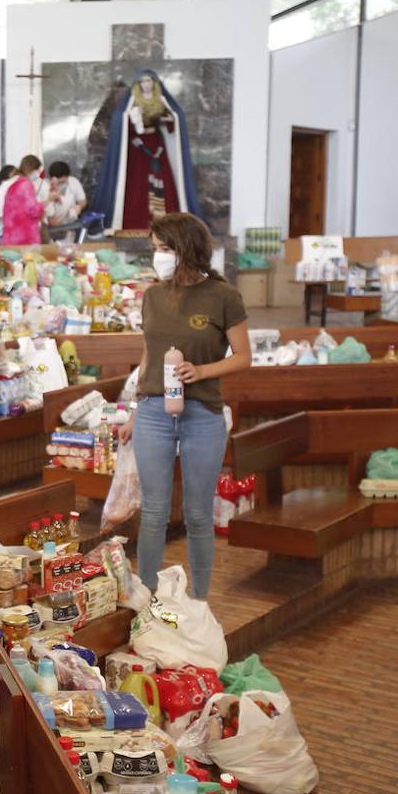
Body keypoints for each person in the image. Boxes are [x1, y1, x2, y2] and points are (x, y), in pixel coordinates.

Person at [120, 213, 251, 599]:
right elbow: (148, 354)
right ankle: (147, 599)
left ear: (185, 249)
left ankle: (199, 600)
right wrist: (133, 409)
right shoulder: (153, 296)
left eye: (164, 249)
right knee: (155, 514)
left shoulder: (223, 296)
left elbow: (243, 356)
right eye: (155, 249)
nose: (158, 256)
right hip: (153, 412)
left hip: (203, 414)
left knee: (197, 515)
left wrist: (203, 370)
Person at [89, 70, 203, 232]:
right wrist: (132, 118)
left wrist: (165, 118)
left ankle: (164, 221)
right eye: (142, 81)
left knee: (161, 181)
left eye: (149, 81)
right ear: (138, 85)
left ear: (154, 83)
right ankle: (137, 221)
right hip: (137, 149)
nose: (146, 84)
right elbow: (121, 124)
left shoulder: (161, 100)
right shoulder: (133, 102)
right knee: (137, 185)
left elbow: (173, 122)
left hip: (157, 146)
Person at [2, 155, 45, 246]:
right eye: (37, 170)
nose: (38, 174)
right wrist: (48, 200)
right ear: (32, 169)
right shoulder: (26, 184)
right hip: (24, 238)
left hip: (11, 237)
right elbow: (34, 211)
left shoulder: (13, 183)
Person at [45, 160, 88, 238]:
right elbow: (50, 220)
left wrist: (78, 207)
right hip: (52, 231)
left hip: (70, 230)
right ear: (52, 179)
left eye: (65, 181)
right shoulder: (46, 189)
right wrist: (67, 227)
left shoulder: (74, 182)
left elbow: (83, 200)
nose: (63, 185)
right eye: (60, 183)